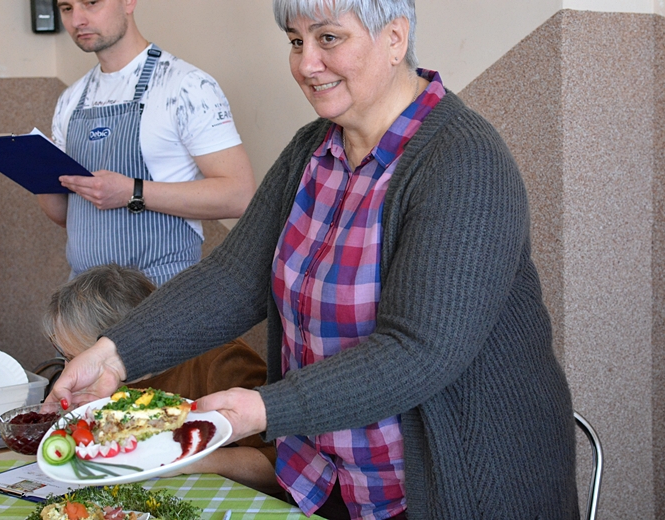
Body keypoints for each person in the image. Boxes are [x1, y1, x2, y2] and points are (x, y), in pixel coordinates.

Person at [47, 1, 580, 518]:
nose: (306, 63)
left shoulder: (464, 159)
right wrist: (114, 354)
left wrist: (264, 409)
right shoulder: (312, 149)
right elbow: (233, 279)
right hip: (325, 478)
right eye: (296, 42)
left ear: (395, 38)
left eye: (329, 38)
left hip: (452, 484)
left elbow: (420, 350)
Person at [38, 0, 256, 285]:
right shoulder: (70, 99)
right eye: (66, 8)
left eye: (91, 3)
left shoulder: (186, 86)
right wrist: (36, 173)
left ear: (129, 2)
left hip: (160, 293)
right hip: (85, 301)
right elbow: (65, 215)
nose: (77, 19)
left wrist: (132, 191)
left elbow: (239, 195)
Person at [43, 263, 279, 495]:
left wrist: (189, 459)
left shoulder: (221, 361)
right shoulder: (104, 389)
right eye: (64, 356)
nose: (69, 370)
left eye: (76, 358)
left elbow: (281, 467)